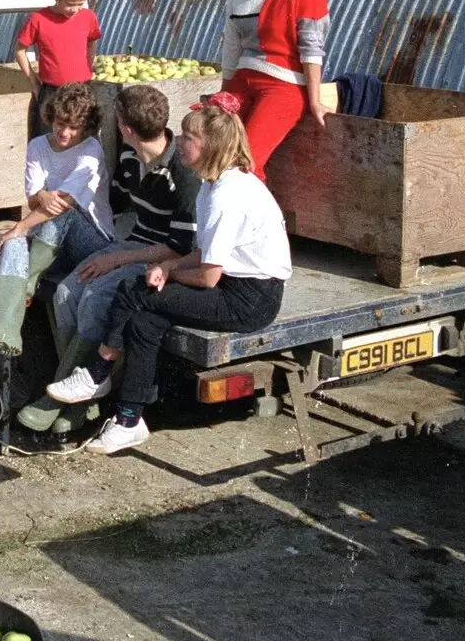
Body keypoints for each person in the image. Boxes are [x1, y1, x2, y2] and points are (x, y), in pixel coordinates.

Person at [48, 92, 290, 455]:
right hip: (231, 283)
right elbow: (203, 254)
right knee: (144, 321)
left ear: (209, 145)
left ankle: (98, 372)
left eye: (188, 137)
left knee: (134, 289)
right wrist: (168, 266)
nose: (180, 141)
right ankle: (129, 419)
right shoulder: (214, 183)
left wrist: (166, 273)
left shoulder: (227, 194)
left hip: (249, 299)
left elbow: (208, 277)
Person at [17, 84, 200, 434]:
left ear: (126, 128)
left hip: (162, 255)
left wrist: (116, 260)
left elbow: (178, 247)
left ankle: (60, 401)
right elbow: (113, 204)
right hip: (132, 241)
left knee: (96, 298)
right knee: (66, 293)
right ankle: (78, 397)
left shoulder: (182, 174)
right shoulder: (131, 159)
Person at [0, 83, 113, 356]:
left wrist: (23, 223)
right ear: (51, 118)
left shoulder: (92, 150)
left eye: (73, 127)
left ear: (86, 127)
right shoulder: (37, 146)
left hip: (93, 242)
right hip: (52, 244)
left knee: (50, 218)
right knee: (14, 242)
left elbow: (63, 203)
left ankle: (21, 290)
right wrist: (38, 204)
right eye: (60, 124)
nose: (65, 133)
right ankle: (6, 327)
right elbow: (34, 200)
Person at [220, 0, 330, 180]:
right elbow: (232, 41)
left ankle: (262, 220)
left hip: (284, 84)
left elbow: (312, 48)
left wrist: (314, 101)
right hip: (244, 78)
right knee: (215, 145)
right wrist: (225, 90)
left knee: (247, 161)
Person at [16, 0, 101, 139]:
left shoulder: (88, 17)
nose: (76, 9)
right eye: (70, 4)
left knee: (84, 139)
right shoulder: (38, 19)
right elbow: (19, 50)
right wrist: (35, 84)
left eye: (80, 4)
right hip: (52, 92)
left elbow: (92, 42)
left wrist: (88, 65)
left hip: (82, 89)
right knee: (50, 140)